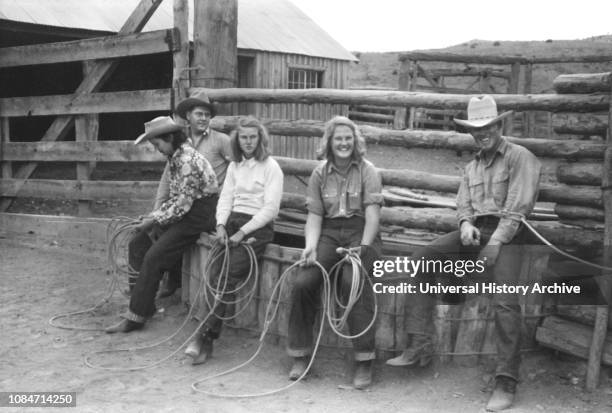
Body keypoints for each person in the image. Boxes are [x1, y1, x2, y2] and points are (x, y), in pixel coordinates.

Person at [386, 95, 541, 412]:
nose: (481, 133)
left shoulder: (519, 158)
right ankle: (419, 341)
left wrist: (495, 242)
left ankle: (506, 381)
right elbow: (464, 205)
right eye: (475, 129)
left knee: (505, 299)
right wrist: (466, 224)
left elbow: (517, 209)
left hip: (510, 235)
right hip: (478, 231)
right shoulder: (472, 166)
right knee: (424, 258)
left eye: (487, 127)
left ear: (499, 124)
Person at [286, 116, 383, 390]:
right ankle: (300, 355)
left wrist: (363, 249)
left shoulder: (368, 170)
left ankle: (364, 360)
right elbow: (315, 216)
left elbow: (373, 217)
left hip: (362, 230)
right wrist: (311, 246)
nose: (343, 143)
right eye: (338, 138)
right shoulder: (319, 173)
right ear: (329, 142)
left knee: (352, 281)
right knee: (303, 282)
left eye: (348, 138)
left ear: (355, 142)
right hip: (329, 232)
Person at [184, 116, 284, 365]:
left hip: (257, 226)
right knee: (212, 273)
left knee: (227, 278)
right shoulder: (235, 166)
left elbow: (270, 209)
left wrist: (243, 233)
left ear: (260, 138)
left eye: (253, 137)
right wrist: (220, 225)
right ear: (237, 140)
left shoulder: (271, 167)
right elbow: (226, 197)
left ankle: (203, 337)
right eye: (244, 137)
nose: (249, 142)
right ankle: (206, 341)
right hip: (232, 223)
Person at [105, 116, 219, 333]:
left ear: (169, 138)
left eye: (157, 144)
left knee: (154, 256)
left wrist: (154, 219)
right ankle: (141, 305)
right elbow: (176, 200)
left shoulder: (187, 160)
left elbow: (183, 205)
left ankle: (136, 317)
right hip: (185, 211)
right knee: (138, 243)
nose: (157, 149)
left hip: (198, 216)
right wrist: (153, 217)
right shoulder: (175, 156)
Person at [154, 90, 232, 298]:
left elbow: (237, 171)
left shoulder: (221, 141)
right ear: (188, 115)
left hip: (210, 204)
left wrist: (226, 200)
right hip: (184, 201)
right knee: (162, 226)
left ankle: (175, 280)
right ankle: (172, 278)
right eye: (199, 114)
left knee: (178, 226)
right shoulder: (179, 140)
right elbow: (166, 178)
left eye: (207, 115)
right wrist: (157, 207)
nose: (203, 118)